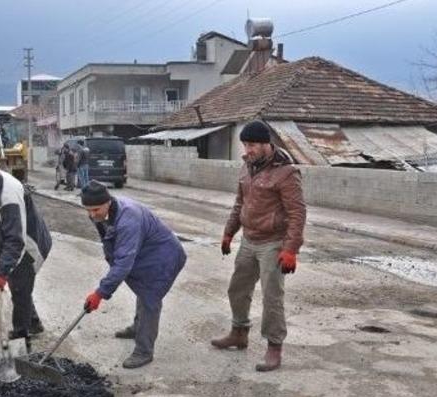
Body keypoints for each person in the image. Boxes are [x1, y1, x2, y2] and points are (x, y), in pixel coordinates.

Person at [211, 120, 306, 372]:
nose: (247, 149)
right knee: (237, 289)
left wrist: (291, 249)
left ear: (266, 144)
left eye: (252, 144)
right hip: (249, 240)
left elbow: (297, 213)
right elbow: (239, 203)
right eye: (244, 144)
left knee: (272, 297)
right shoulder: (246, 167)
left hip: (274, 243)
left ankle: (274, 347)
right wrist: (229, 233)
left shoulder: (286, 173)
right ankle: (239, 332)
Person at [81, 181, 186, 369]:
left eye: (95, 209)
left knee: (150, 298)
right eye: (87, 210)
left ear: (108, 202)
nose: (91, 214)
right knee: (141, 288)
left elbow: (124, 263)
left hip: (165, 257)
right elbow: (108, 240)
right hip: (145, 252)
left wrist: (100, 293)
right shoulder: (101, 213)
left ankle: (144, 351)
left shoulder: (129, 219)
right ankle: (138, 328)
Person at [0, 159, 51, 343]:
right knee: (19, 287)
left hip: (28, 244)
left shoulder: (9, 196)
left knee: (19, 286)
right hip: (11, 240)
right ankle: (34, 322)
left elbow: (16, 241)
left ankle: (21, 336)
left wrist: (2, 272)